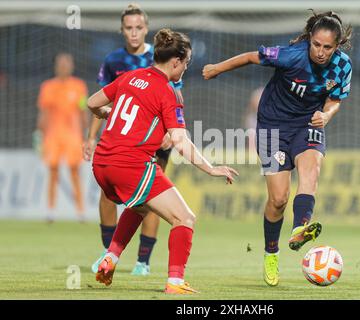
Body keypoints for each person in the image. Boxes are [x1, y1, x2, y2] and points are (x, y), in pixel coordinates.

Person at [202, 10, 352, 286]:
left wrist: (327, 115)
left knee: (312, 169)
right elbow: (250, 57)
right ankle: (271, 253)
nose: (320, 52)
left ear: (337, 45)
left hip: (307, 124)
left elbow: (336, 100)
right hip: (272, 127)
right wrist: (216, 68)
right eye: (316, 44)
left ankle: (300, 227)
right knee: (278, 199)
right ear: (309, 39)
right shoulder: (290, 55)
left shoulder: (342, 66)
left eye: (327, 47)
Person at [88, 29, 238, 294]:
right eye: (187, 63)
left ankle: (109, 258)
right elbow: (180, 141)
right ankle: (175, 282)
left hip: (101, 164)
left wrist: (107, 112)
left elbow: (92, 102)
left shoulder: (130, 77)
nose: (185, 69)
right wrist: (211, 169)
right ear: (176, 61)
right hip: (130, 164)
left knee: (141, 206)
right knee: (185, 218)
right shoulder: (168, 92)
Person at [83, 4, 183, 276]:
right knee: (108, 195)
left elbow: (174, 100)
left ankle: (143, 260)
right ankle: (109, 253)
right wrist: (91, 137)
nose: (134, 33)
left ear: (147, 29)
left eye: (139, 28)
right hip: (119, 139)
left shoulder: (162, 57)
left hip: (154, 139)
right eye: (129, 28)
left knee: (152, 197)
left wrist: (169, 134)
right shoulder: (113, 61)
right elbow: (102, 98)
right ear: (122, 30)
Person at [37, 53, 88, 223]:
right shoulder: (47, 86)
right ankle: (50, 210)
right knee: (53, 171)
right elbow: (43, 113)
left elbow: (83, 111)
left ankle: (81, 211)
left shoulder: (79, 86)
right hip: (53, 135)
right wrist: (39, 135)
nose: (64, 67)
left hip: (73, 135)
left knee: (75, 172)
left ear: (72, 66)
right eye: (61, 64)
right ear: (56, 66)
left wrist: (87, 136)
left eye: (67, 64)